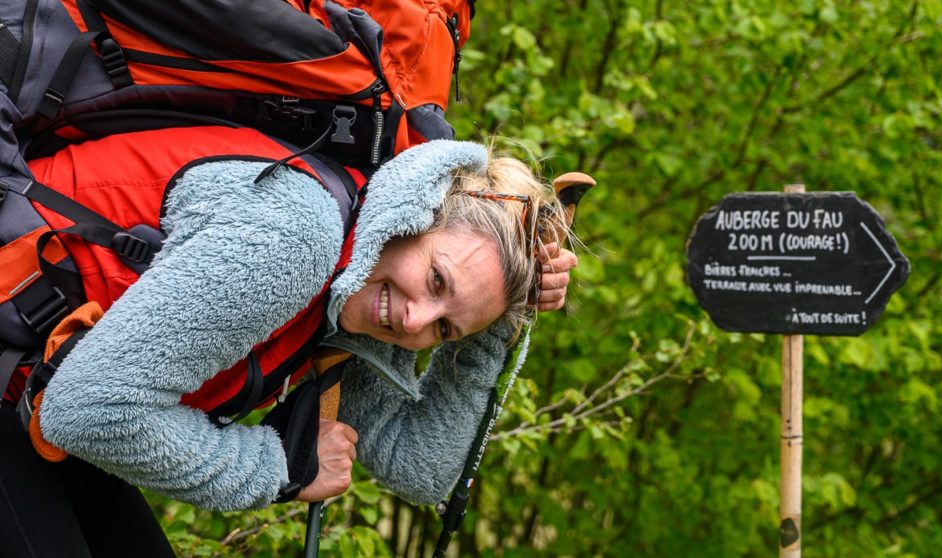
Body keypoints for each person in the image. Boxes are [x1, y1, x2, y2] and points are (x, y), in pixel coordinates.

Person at [0, 126, 577, 556]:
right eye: (436, 280)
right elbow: (86, 413)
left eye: (445, 329)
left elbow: (419, 470)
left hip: (36, 391)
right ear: (415, 216)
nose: (414, 322)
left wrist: (497, 329)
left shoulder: (360, 298)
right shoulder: (295, 235)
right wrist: (281, 466)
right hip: (39, 386)